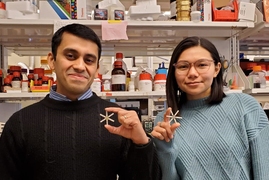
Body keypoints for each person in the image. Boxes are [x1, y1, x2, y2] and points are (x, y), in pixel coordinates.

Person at [0, 23, 161, 180]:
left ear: (97, 68)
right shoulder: (20, 123)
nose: (79, 66)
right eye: (70, 56)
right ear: (52, 60)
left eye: (89, 60)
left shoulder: (118, 120)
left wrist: (141, 144)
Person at [151, 36, 269, 180]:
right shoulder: (164, 122)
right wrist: (165, 151)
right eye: (183, 66)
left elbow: (265, 170)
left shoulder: (245, 107)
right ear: (174, 72)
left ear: (216, 69)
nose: (192, 73)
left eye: (202, 65)